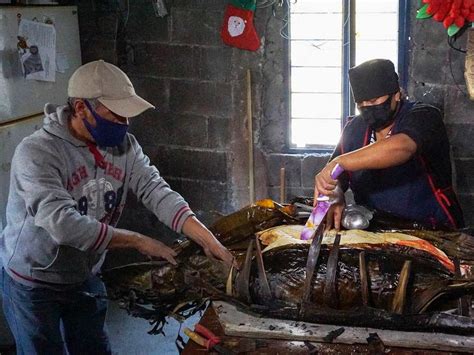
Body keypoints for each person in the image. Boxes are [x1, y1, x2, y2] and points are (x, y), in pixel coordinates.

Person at [0, 59, 235, 354]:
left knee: (93, 349)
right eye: (115, 115)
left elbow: (155, 190)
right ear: (81, 108)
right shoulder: (37, 152)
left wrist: (205, 237)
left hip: (84, 274)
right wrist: (138, 241)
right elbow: (62, 223)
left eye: (127, 116)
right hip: (34, 279)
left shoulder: (125, 146)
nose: (124, 124)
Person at [314, 58, 464, 230]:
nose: (367, 108)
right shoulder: (354, 129)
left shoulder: (424, 116)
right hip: (374, 230)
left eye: (373, 101)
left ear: (396, 94)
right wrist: (335, 193)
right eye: (361, 104)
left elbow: (402, 147)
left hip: (432, 227)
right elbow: (337, 177)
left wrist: (339, 162)